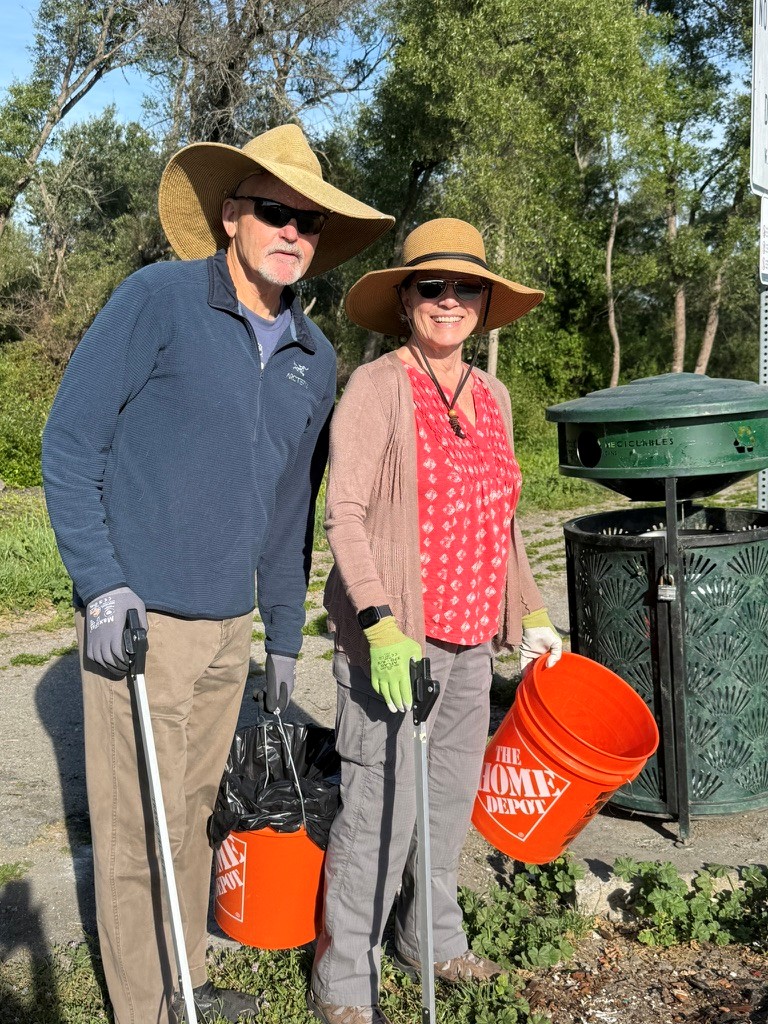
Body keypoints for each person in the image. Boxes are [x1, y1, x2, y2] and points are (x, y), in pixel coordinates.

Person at [42, 123, 393, 1024]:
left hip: (231, 628)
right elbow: (70, 444)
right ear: (232, 215)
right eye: (274, 211)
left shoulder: (314, 358)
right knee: (134, 828)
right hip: (141, 620)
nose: (292, 233)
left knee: (196, 813)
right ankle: (145, 1011)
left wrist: (282, 635)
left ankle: (186, 983)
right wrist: (101, 583)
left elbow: (288, 510)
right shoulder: (157, 300)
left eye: (309, 222)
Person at [308, 218, 563, 1024]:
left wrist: (531, 609)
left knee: (447, 805)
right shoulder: (376, 387)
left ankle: (432, 940)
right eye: (432, 286)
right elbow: (344, 515)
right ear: (405, 300)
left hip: (470, 643)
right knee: (379, 813)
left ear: (485, 303)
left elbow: (503, 521)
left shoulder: (494, 397)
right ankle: (344, 981)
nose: (449, 300)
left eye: (466, 288)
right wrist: (380, 624)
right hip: (394, 646)